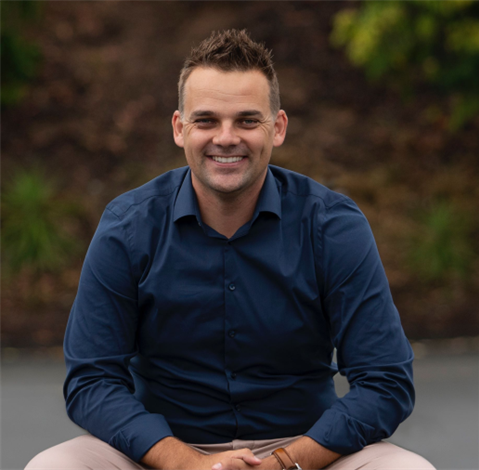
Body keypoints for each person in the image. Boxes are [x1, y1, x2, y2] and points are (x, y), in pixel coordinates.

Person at [26, 29, 435, 470]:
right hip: (164, 452)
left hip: (305, 450)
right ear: (180, 129)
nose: (226, 137)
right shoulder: (128, 227)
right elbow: (91, 380)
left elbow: (386, 381)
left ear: (276, 128)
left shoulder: (332, 226)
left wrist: (285, 463)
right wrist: (186, 463)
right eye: (206, 121)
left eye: (246, 120)